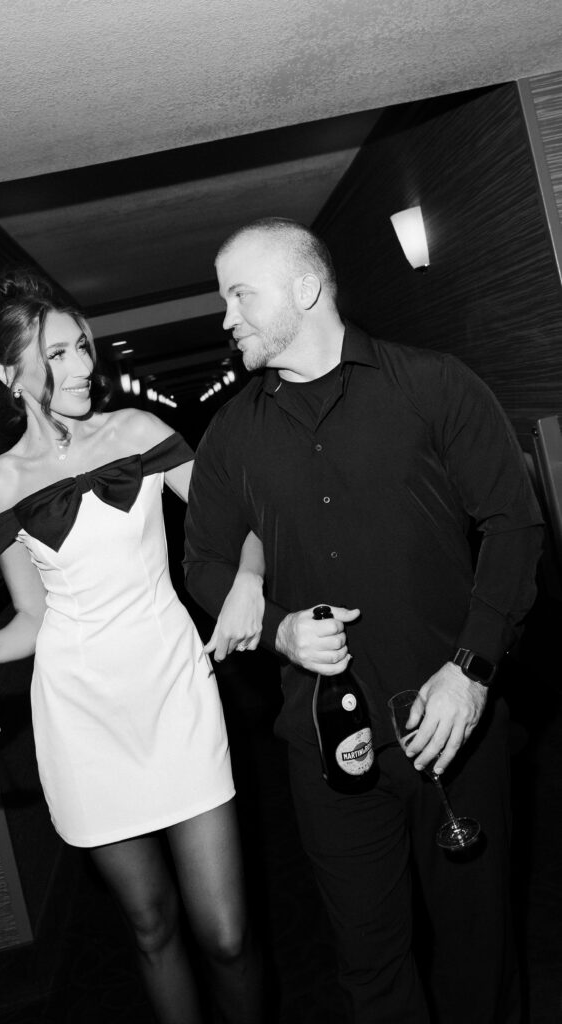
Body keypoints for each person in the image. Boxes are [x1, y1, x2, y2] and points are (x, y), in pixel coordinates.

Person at [183, 218, 544, 1023]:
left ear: (304, 288)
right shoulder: (232, 434)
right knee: (369, 967)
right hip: (326, 747)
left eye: (239, 296)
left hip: (452, 726)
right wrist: (277, 629)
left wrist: (470, 671)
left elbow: (513, 527)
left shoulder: (433, 384)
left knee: (478, 953)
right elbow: (202, 560)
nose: (226, 318)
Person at [0, 269, 266, 1024]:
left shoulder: (136, 432)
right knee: (151, 926)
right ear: (8, 374)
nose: (83, 366)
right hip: (82, 713)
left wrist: (248, 578)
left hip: (175, 689)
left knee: (227, 933)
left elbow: (243, 517)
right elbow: (32, 617)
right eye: (57, 354)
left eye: (82, 346)